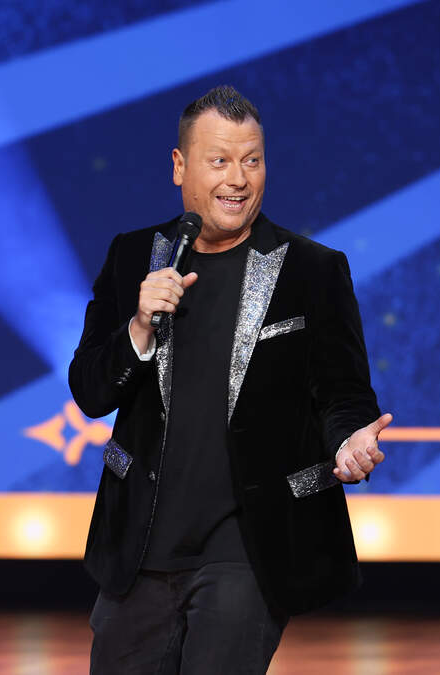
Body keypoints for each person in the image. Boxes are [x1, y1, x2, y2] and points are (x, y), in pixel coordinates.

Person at [69, 85, 392, 673]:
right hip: (140, 546)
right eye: (219, 160)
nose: (238, 179)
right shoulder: (133, 256)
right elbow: (90, 391)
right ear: (180, 166)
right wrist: (139, 327)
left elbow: (342, 392)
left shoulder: (312, 270)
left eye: (252, 160)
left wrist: (349, 439)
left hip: (249, 550)